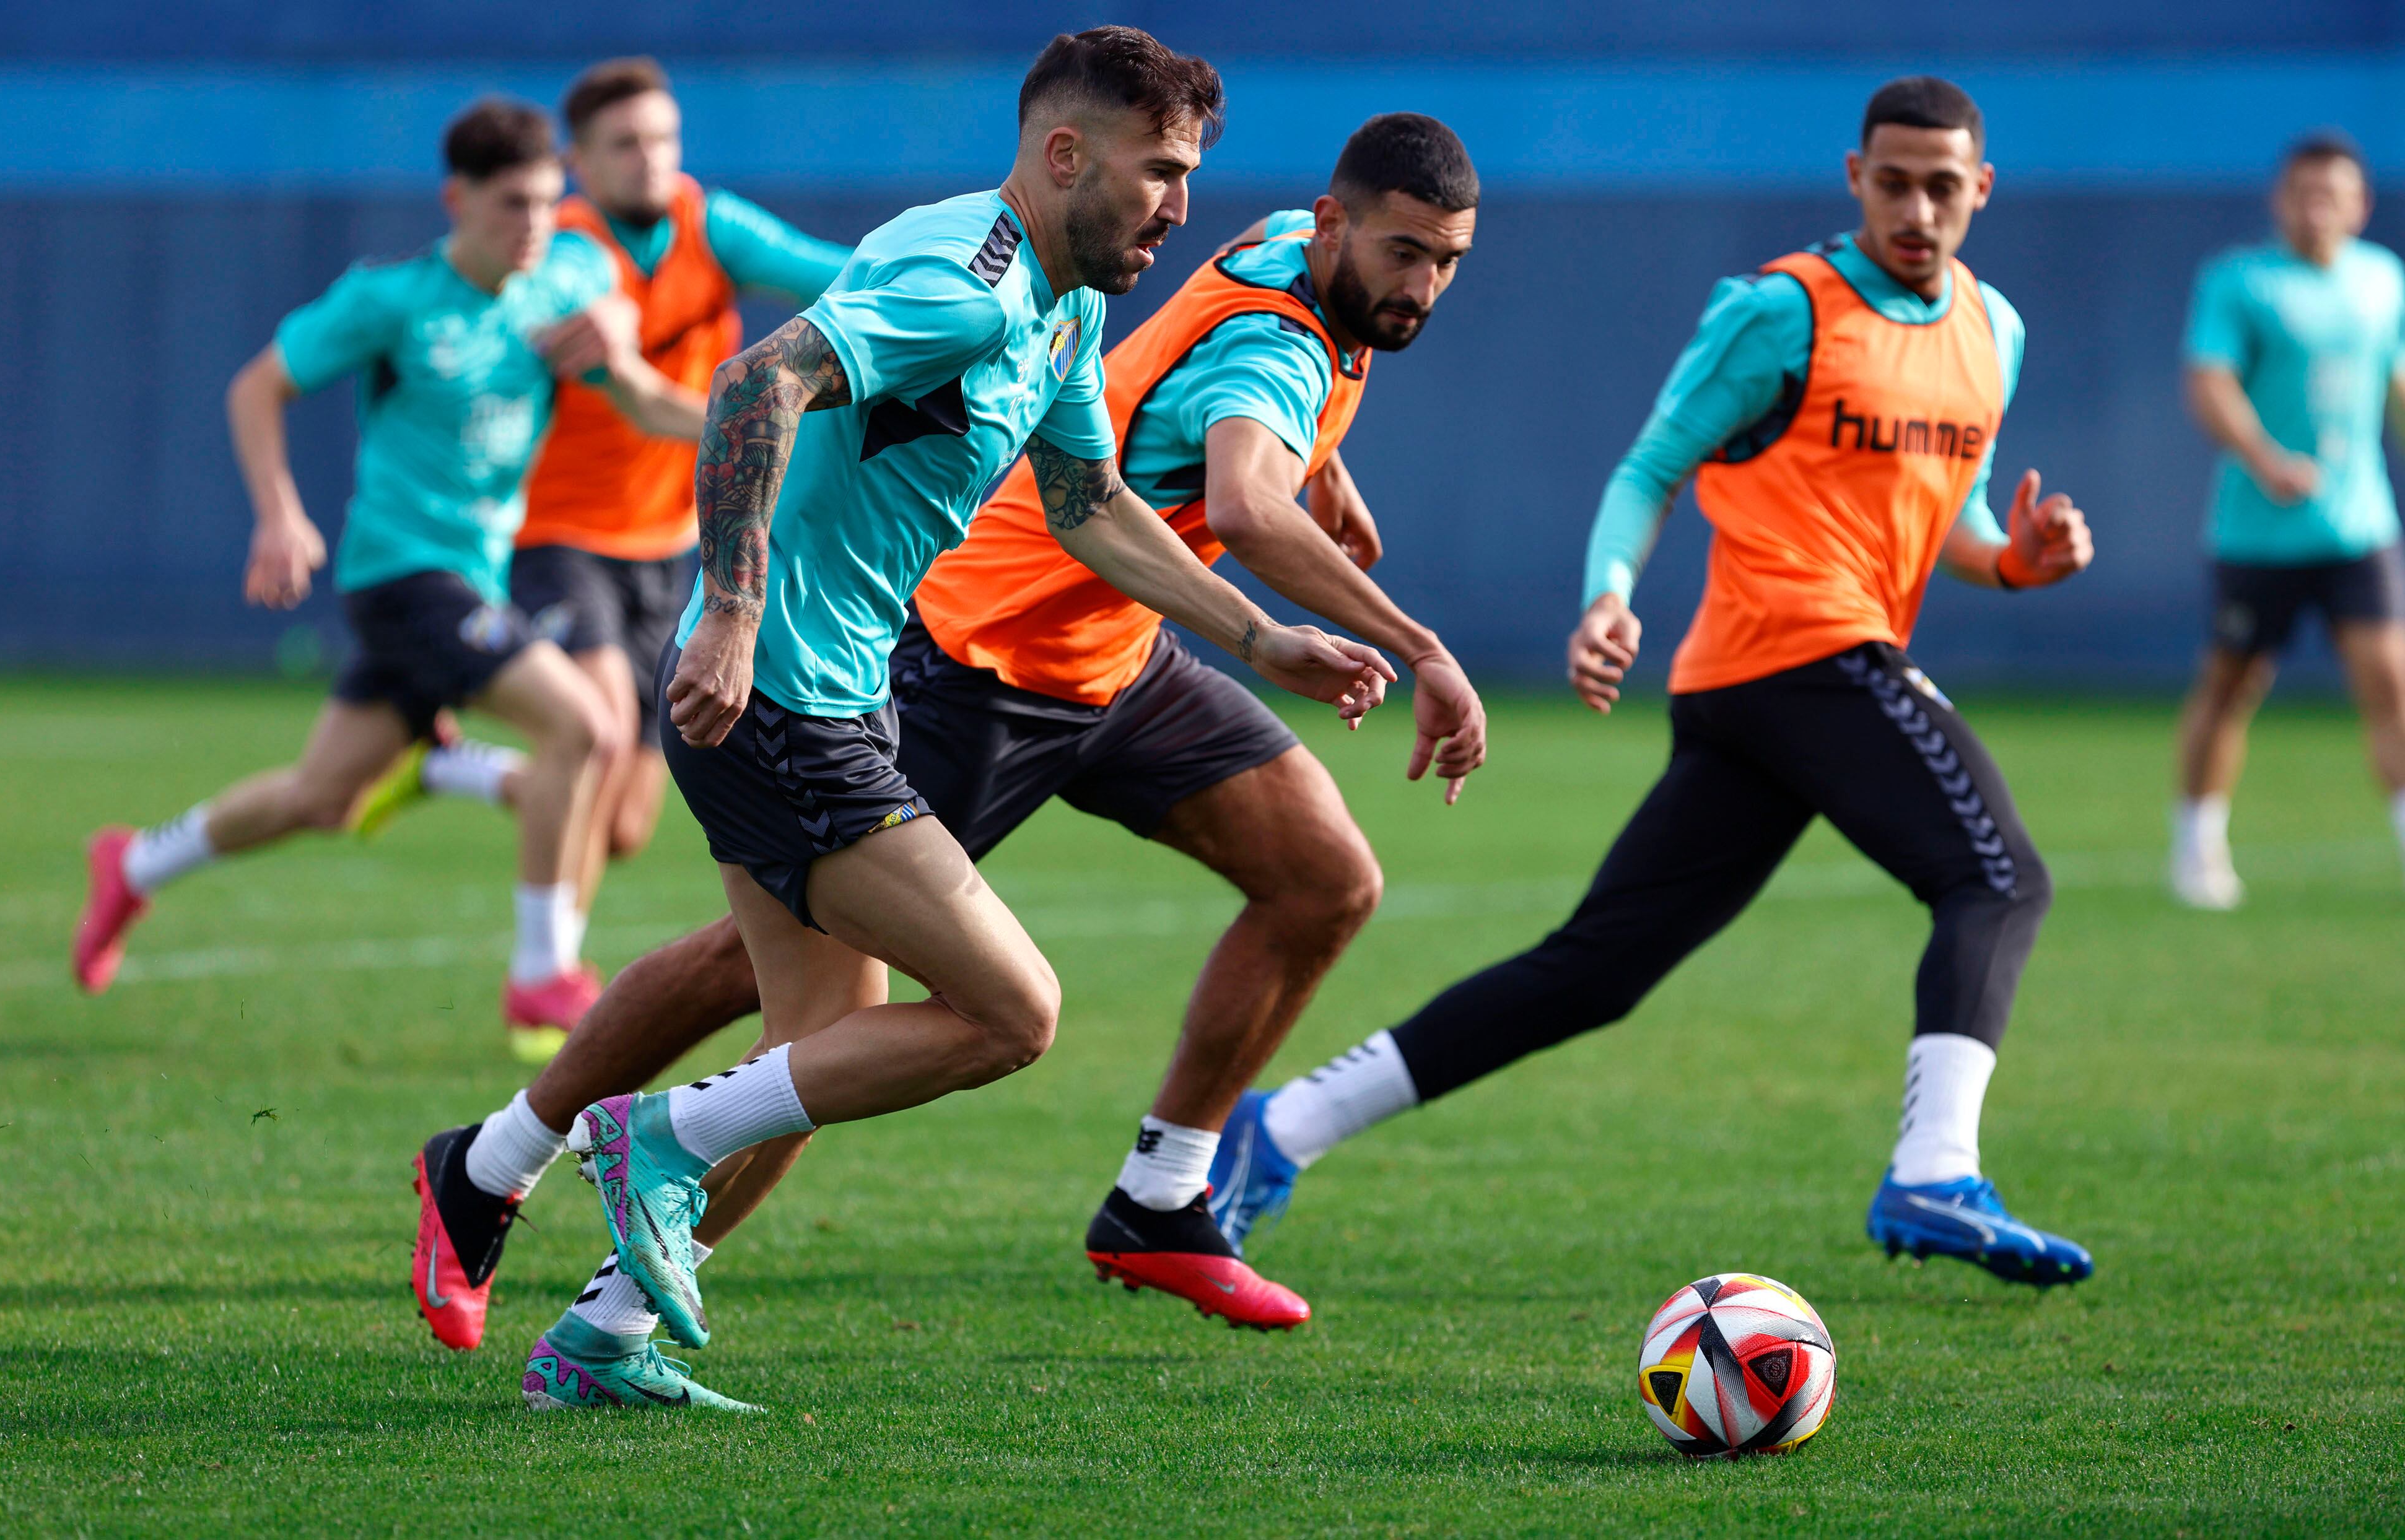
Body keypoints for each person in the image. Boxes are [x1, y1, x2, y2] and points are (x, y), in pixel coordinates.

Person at [409, 113, 1487, 1361]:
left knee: (1320, 877)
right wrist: (735, 611)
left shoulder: (1137, 282)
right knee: (835, 1013)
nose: (1180, 207)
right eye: (1158, 175)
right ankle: (530, 1160)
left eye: (1190, 176)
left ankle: (1153, 1195)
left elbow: (1100, 497)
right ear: (1069, 157)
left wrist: (1267, 616)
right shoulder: (1021, 297)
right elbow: (762, 381)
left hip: (1104, 660)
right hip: (964, 669)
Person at [1213, 77, 2103, 1290]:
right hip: (1801, 654)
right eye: (1890, 181)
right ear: (1855, 178)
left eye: (1939, 185)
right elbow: (1649, 466)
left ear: (1978, 190)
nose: (1914, 206)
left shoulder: (1988, 329)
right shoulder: (1784, 310)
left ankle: (1282, 1126)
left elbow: (1949, 522)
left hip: (1772, 689)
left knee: (1595, 969)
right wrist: (1608, 593)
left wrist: (2015, 562)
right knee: (1996, 878)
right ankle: (1934, 1169)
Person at [69, 100, 707, 1042]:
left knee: (321, 797)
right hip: (404, 575)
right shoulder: (392, 301)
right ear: (457, 200)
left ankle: (132, 866)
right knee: (587, 725)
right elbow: (258, 387)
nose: (533, 224)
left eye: (543, 203)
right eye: (510, 206)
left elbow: (647, 399)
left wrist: (766, 427)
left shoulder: (565, 277)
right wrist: (280, 515)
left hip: (473, 583)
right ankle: (541, 973)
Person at [354, 61, 856, 1063]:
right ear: (577, 163)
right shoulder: (555, 249)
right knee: (582, 728)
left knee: (622, 823)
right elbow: (540, 309)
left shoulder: (710, 226)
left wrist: (934, 296)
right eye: (626, 144)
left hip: (670, 544)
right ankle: (547, 980)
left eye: (666, 140)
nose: (652, 161)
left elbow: (834, 271)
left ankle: (453, 767)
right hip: (557, 541)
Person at [2169, 133, 2405, 910]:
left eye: (2332, 195)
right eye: (2303, 194)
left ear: (2359, 204)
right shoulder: (2239, 281)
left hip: (2357, 527)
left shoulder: (2382, 280)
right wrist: (2264, 458)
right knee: (2233, 684)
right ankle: (2197, 844)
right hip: (2257, 530)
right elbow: (2210, 382)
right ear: (2280, 200)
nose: (2317, 209)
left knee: (2390, 683)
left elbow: (2396, 382)